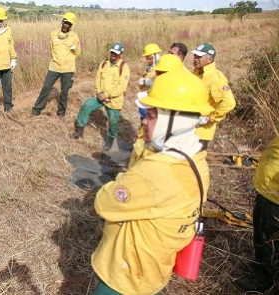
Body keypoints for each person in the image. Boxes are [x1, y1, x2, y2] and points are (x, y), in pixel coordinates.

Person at [90, 71, 214, 295]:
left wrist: (123, 180)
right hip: (154, 273)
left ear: (174, 120)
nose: (144, 120)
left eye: (152, 115)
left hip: (126, 277)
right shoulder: (198, 161)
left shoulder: (154, 172)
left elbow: (104, 203)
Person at [234, 137, 279, 293]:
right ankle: (259, 264)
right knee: (259, 231)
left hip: (276, 200)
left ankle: (266, 279)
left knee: (270, 240)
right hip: (266, 192)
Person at [71, 42, 130, 152]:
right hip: (100, 96)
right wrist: (100, 93)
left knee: (113, 121)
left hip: (114, 100)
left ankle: (110, 139)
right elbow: (98, 78)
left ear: (121, 54)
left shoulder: (124, 67)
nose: (113, 55)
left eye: (116, 53)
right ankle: (79, 131)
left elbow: (121, 86)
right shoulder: (104, 63)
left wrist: (106, 95)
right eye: (112, 52)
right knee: (86, 106)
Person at [129, 54, 185, 168]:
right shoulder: (162, 90)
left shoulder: (175, 102)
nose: (156, 75)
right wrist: (141, 134)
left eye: (160, 73)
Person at [31, 12, 80, 120]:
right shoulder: (53, 34)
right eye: (66, 22)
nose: (67, 25)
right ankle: (36, 110)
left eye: (69, 24)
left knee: (64, 91)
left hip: (67, 68)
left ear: (71, 26)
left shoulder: (74, 36)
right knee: (46, 88)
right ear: (62, 22)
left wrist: (74, 49)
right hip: (54, 67)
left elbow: (77, 53)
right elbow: (51, 48)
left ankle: (61, 114)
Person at [191, 42, 236, 149]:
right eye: (195, 55)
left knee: (195, 163)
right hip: (189, 127)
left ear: (209, 60)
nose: (195, 58)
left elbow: (229, 103)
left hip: (201, 131)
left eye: (199, 56)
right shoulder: (196, 74)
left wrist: (210, 119)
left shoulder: (216, 78)